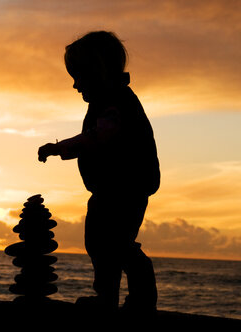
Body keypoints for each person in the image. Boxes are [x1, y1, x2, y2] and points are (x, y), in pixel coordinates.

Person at [38, 31, 160, 313]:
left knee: (115, 244)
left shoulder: (115, 103)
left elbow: (98, 138)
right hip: (110, 190)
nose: (74, 85)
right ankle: (109, 298)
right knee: (102, 243)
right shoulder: (109, 102)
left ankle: (133, 299)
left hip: (124, 190)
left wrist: (58, 148)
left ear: (98, 72)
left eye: (78, 76)